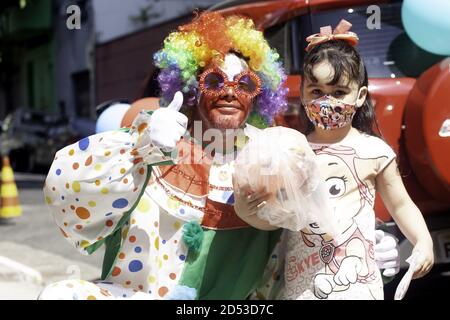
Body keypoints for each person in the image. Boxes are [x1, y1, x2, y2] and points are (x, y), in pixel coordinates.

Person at [39, 13, 399, 300]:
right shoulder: (158, 135)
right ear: (192, 86)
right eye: (214, 81)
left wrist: (364, 243)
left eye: (244, 84)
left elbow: (309, 220)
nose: (230, 93)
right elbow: (67, 193)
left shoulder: (272, 150)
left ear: (259, 94)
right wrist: (141, 149)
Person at [234, 20, 433, 300]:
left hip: (360, 289)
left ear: (361, 96)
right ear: (303, 94)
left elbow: (401, 204)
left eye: (339, 92)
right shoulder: (291, 153)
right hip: (302, 289)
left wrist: (423, 242)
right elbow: (281, 218)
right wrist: (247, 210)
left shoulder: (373, 151)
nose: (327, 101)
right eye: (316, 91)